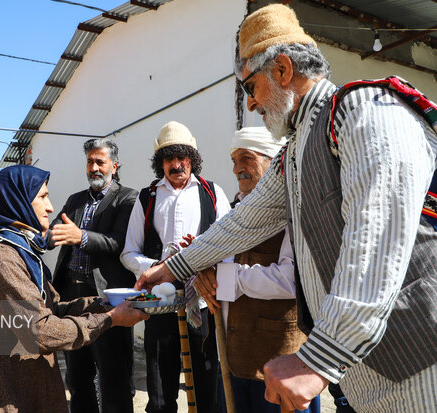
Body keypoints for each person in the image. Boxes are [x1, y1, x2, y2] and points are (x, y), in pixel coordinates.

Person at [136, 4, 437, 412]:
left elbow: (376, 242)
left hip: (418, 357)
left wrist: (318, 360)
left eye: (250, 87)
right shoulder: (295, 151)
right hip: (367, 369)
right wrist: (172, 268)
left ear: (281, 70)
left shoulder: (365, 109)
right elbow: (244, 223)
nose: (252, 104)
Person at [0, 165, 148, 413]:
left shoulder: (18, 248)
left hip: (21, 384)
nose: (50, 207)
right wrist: (108, 319)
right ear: (17, 200)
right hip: (0, 392)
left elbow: (49, 309)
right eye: (42, 197)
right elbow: (40, 331)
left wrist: (106, 302)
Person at [193, 127, 319, 413]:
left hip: (279, 363)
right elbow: (215, 261)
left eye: (246, 158)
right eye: (234, 161)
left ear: (273, 161)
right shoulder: (233, 211)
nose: (237, 168)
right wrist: (204, 276)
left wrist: (225, 279)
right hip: (233, 357)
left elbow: (292, 280)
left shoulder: (294, 210)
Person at [121, 121, 231, 413]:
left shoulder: (213, 193)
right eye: (169, 158)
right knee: (158, 392)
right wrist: (159, 267)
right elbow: (128, 252)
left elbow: (231, 245)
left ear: (192, 159)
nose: (176, 164)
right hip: (160, 302)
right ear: (161, 163)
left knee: (207, 384)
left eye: (182, 157)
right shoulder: (147, 198)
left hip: (203, 304)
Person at [49, 138, 138, 413]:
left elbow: (119, 243)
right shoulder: (75, 200)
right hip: (71, 298)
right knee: (77, 377)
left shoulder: (128, 198)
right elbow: (53, 232)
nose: (95, 168)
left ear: (114, 165)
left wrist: (81, 237)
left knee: (113, 376)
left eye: (100, 162)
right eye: (90, 162)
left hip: (107, 298)